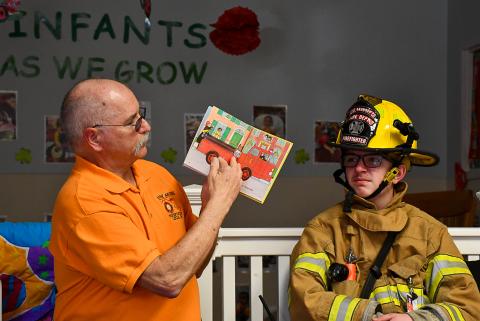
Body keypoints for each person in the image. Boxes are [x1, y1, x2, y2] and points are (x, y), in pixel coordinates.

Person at [49, 78, 243, 321]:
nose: (147, 127)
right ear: (95, 139)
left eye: (141, 116)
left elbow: (194, 265)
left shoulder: (157, 175)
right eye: (133, 122)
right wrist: (219, 204)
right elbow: (167, 280)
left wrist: (208, 207)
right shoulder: (83, 202)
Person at [289, 94, 480, 321]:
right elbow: (304, 302)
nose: (358, 168)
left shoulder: (431, 233)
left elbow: (467, 308)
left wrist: (414, 319)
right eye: (351, 159)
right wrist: (369, 315)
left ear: (397, 172)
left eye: (373, 160)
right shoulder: (322, 230)